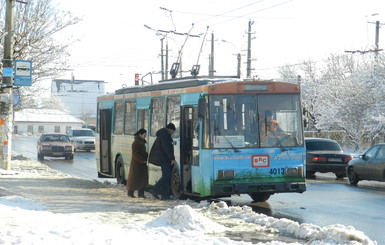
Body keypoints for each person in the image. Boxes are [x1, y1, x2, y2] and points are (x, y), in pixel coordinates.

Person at [148, 123, 176, 200]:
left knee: (166, 176)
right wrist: (172, 158)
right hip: (164, 159)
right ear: (170, 129)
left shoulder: (163, 134)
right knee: (166, 176)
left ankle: (165, 195)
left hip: (163, 158)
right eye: (172, 131)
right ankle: (154, 189)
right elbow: (166, 149)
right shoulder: (165, 136)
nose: (172, 133)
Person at [125, 129, 149, 198]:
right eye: (144, 135)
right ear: (140, 134)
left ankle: (141, 194)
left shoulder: (142, 141)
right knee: (134, 179)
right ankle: (130, 193)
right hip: (137, 164)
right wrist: (142, 160)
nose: (145, 136)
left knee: (142, 179)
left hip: (141, 164)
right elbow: (135, 154)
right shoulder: (136, 142)